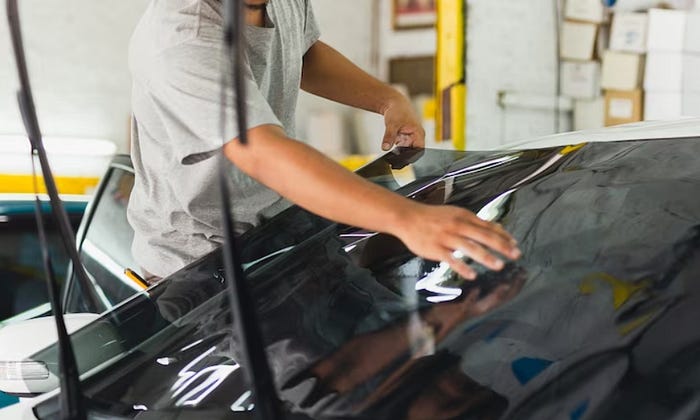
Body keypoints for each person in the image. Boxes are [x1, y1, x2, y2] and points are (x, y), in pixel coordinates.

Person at [127, 0, 521, 281]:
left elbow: (304, 53)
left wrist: (388, 100)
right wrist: (408, 218)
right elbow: (263, 153)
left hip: (279, 231)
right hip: (203, 269)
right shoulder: (184, 38)